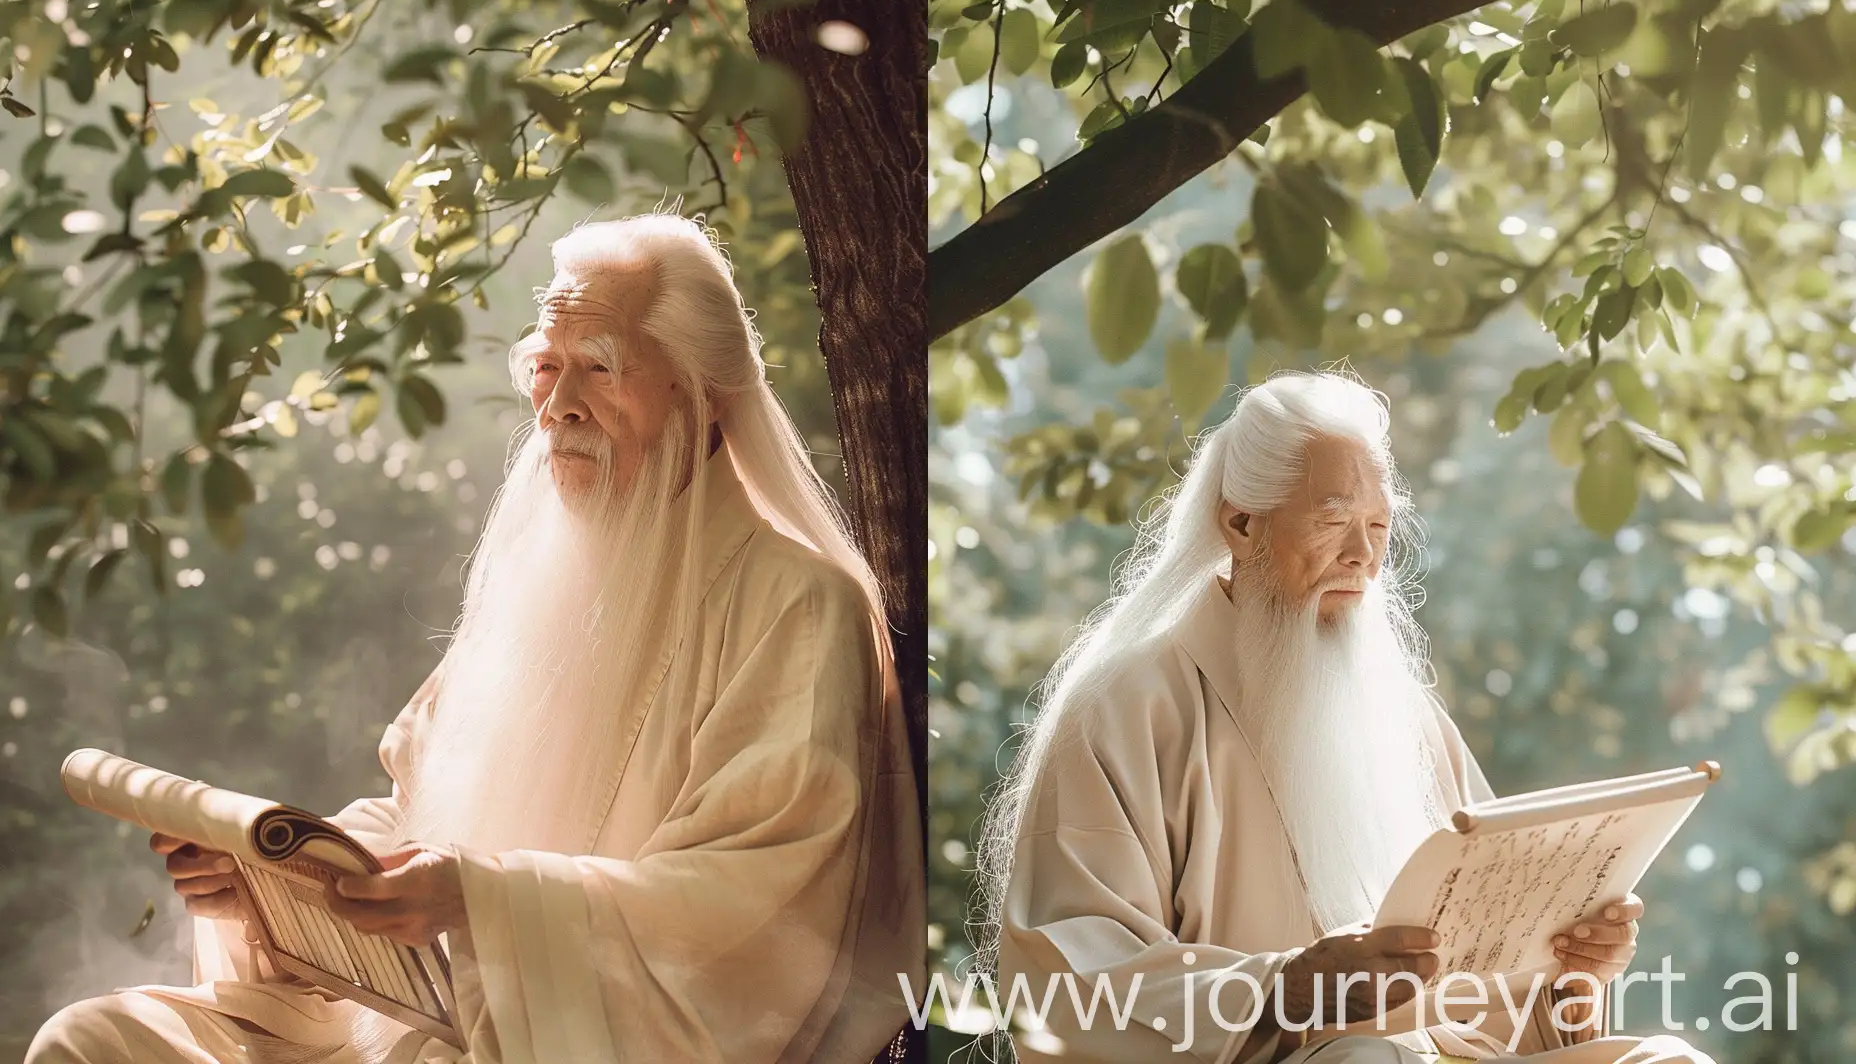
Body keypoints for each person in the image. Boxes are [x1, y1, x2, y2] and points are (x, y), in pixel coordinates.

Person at [29, 216, 923, 1063]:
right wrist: (281, 878)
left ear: (705, 393)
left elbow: (756, 917)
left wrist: (481, 898)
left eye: (601, 368)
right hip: (412, 1016)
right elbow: (417, 809)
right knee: (98, 1040)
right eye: (546, 366)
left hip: (564, 1041)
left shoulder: (799, 600)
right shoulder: (553, 565)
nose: (558, 407)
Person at [984, 370, 1711, 1064]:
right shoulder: (1129, 705)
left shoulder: (1403, 716)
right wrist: (1284, 989)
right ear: (1241, 523)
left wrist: (1570, 969)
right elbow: (1068, 968)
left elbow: (1494, 951)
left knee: (1668, 1056)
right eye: (1333, 522)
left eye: (1377, 525)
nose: (1363, 556)